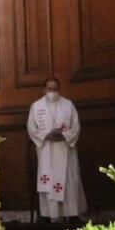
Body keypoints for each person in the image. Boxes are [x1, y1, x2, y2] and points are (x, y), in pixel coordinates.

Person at [27, 77, 87, 222]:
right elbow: (31, 128)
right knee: (48, 180)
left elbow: (76, 126)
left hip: (65, 148)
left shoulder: (68, 105)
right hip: (46, 149)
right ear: (44, 89)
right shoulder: (36, 106)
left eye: (55, 89)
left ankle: (72, 214)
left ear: (59, 89)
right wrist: (46, 135)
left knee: (69, 181)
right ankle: (48, 215)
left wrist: (64, 136)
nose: (52, 92)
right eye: (49, 89)